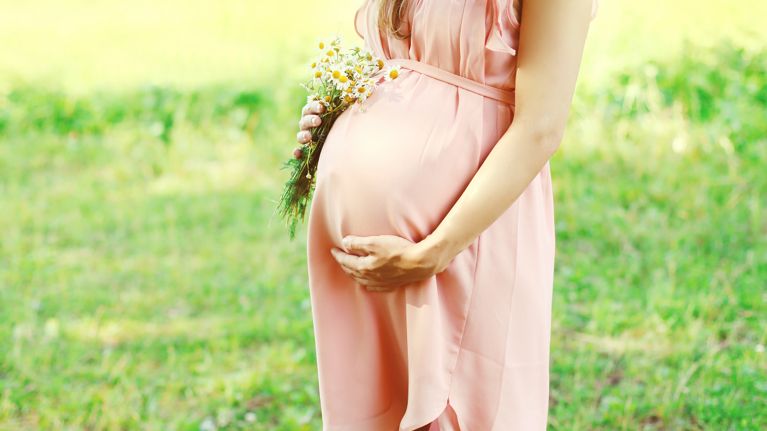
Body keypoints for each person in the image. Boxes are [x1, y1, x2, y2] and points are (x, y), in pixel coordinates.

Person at [297, 0, 597, 429]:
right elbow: (402, 64)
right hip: (361, 260)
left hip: (464, 238)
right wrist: (338, 109)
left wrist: (437, 250)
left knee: (461, 410)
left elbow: (541, 127)